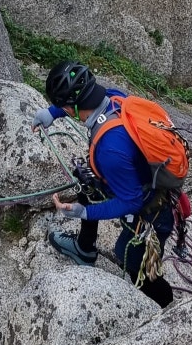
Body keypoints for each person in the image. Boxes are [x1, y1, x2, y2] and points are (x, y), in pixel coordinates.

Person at [32, 58, 176, 308]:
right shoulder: (114, 99)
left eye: (61, 107)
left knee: (129, 256)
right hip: (142, 182)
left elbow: (130, 202)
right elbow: (74, 103)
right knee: (86, 180)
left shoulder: (109, 150)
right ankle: (84, 248)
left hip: (151, 210)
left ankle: (163, 305)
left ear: (73, 108)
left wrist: (84, 212)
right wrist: (51, 113)